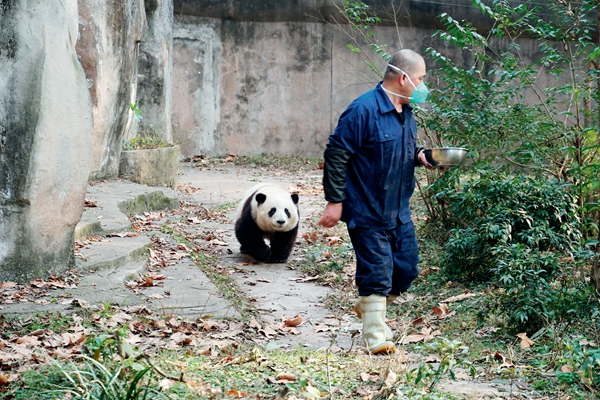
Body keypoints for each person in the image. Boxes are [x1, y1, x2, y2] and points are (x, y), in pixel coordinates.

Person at [318, 49, 433, 354]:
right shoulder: (363, 110)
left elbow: (404, 148)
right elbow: (337, 154)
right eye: (420, 79)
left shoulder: (406, 113)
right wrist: (334, 201)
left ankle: (369, 307)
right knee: (377, 271)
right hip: (366, 209)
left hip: (398, 210)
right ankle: (376, 339)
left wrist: (421, 155)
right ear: (404, 78)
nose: (423, 86)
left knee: (406, 270)